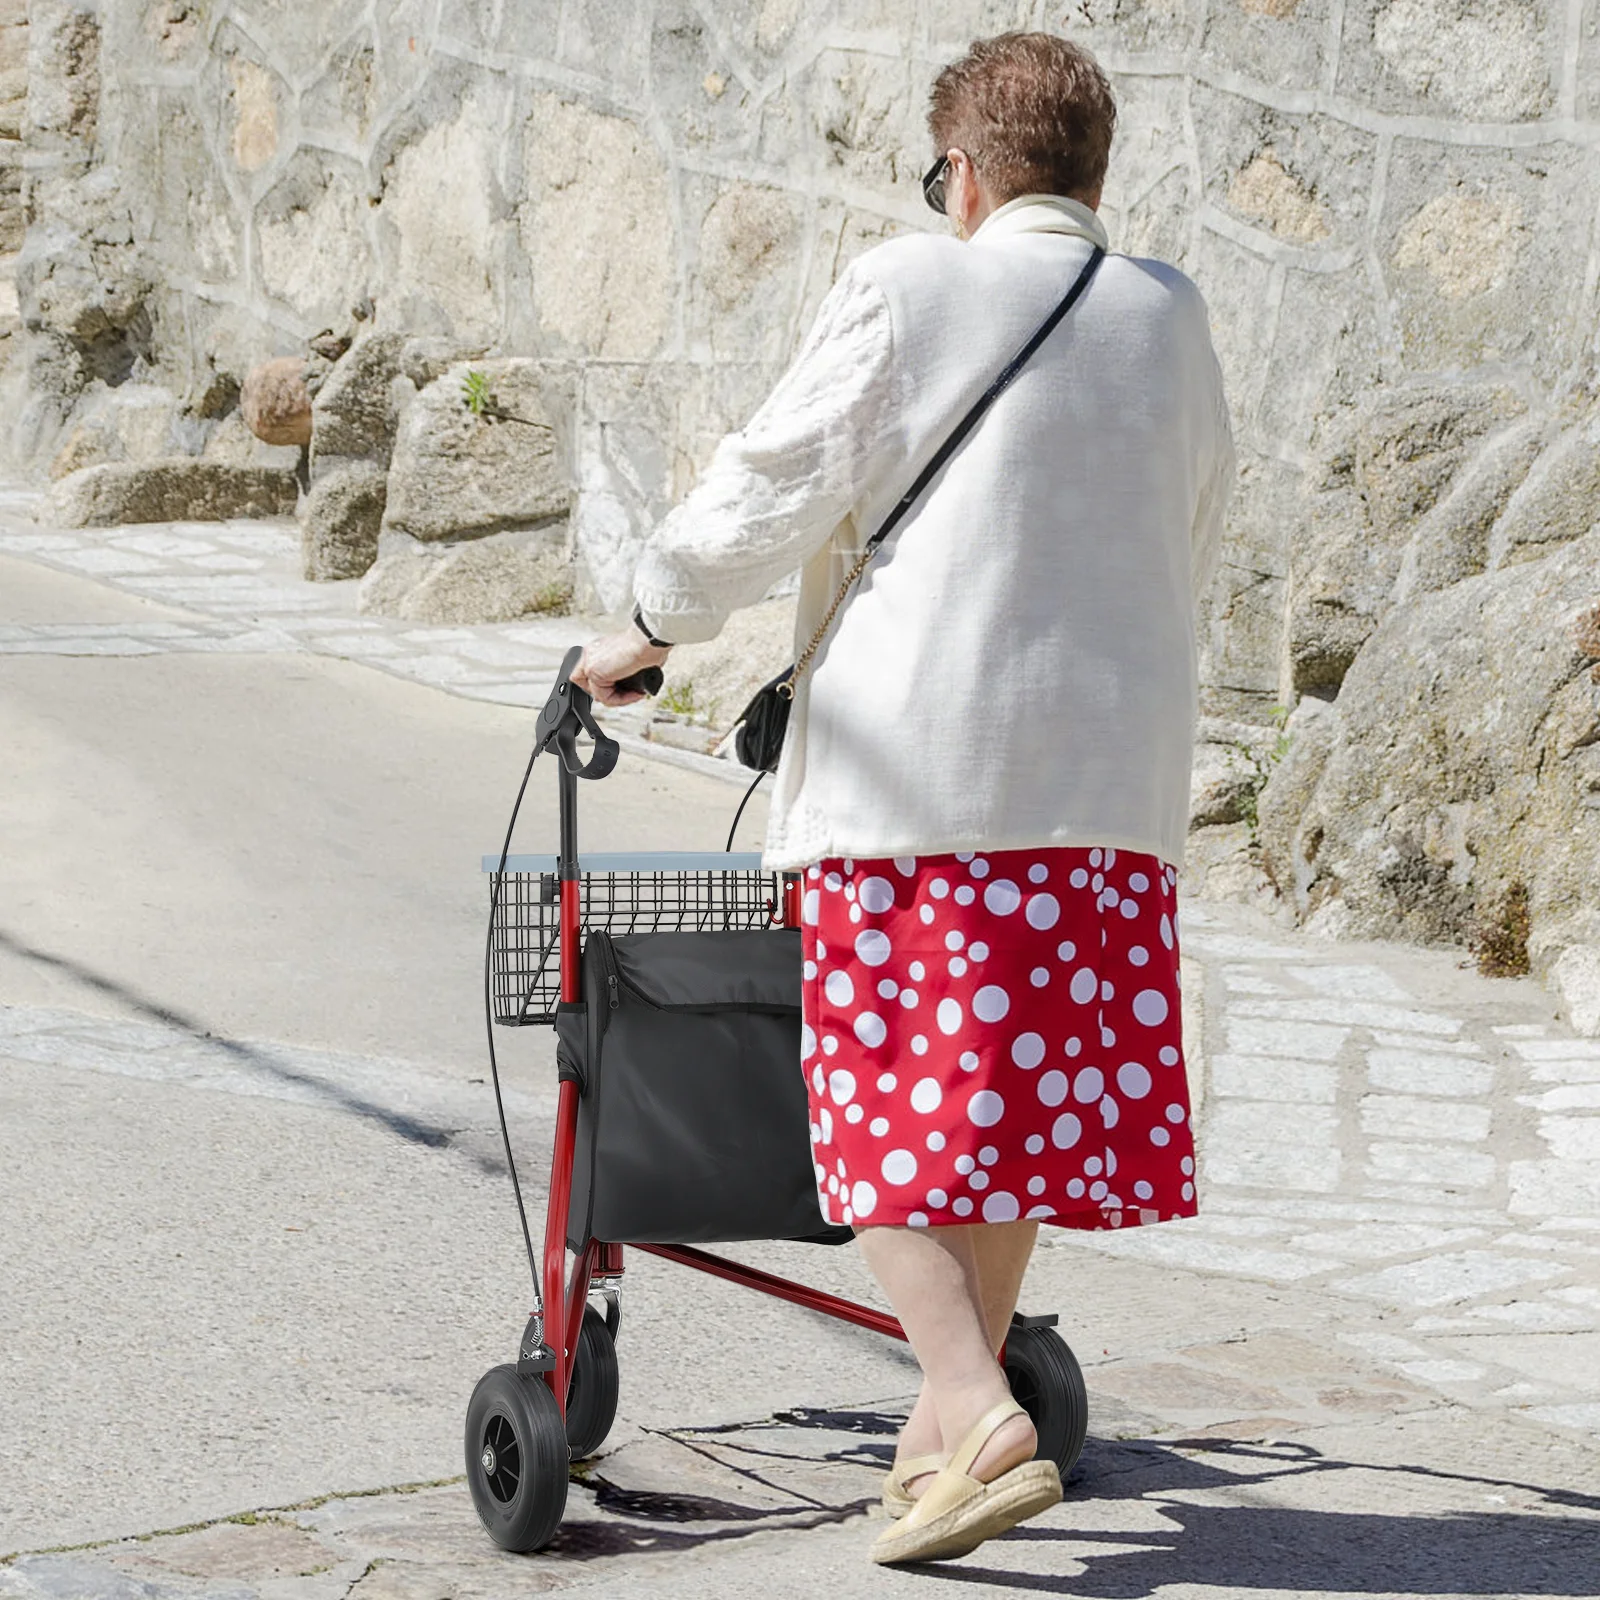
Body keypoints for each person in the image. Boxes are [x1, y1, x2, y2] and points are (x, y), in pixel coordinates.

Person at [575, 30, 1234, 1567]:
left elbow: (773, 480)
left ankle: (974, 1402)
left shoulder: (912, 286)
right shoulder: (1169, 314)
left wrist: (654, 622)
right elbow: (1196, 526)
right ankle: (943, 1441)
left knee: (875, 1117)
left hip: (922, 779)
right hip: (1108, 792)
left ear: (967, 173)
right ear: (1091, 174)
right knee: (1007, 1120)